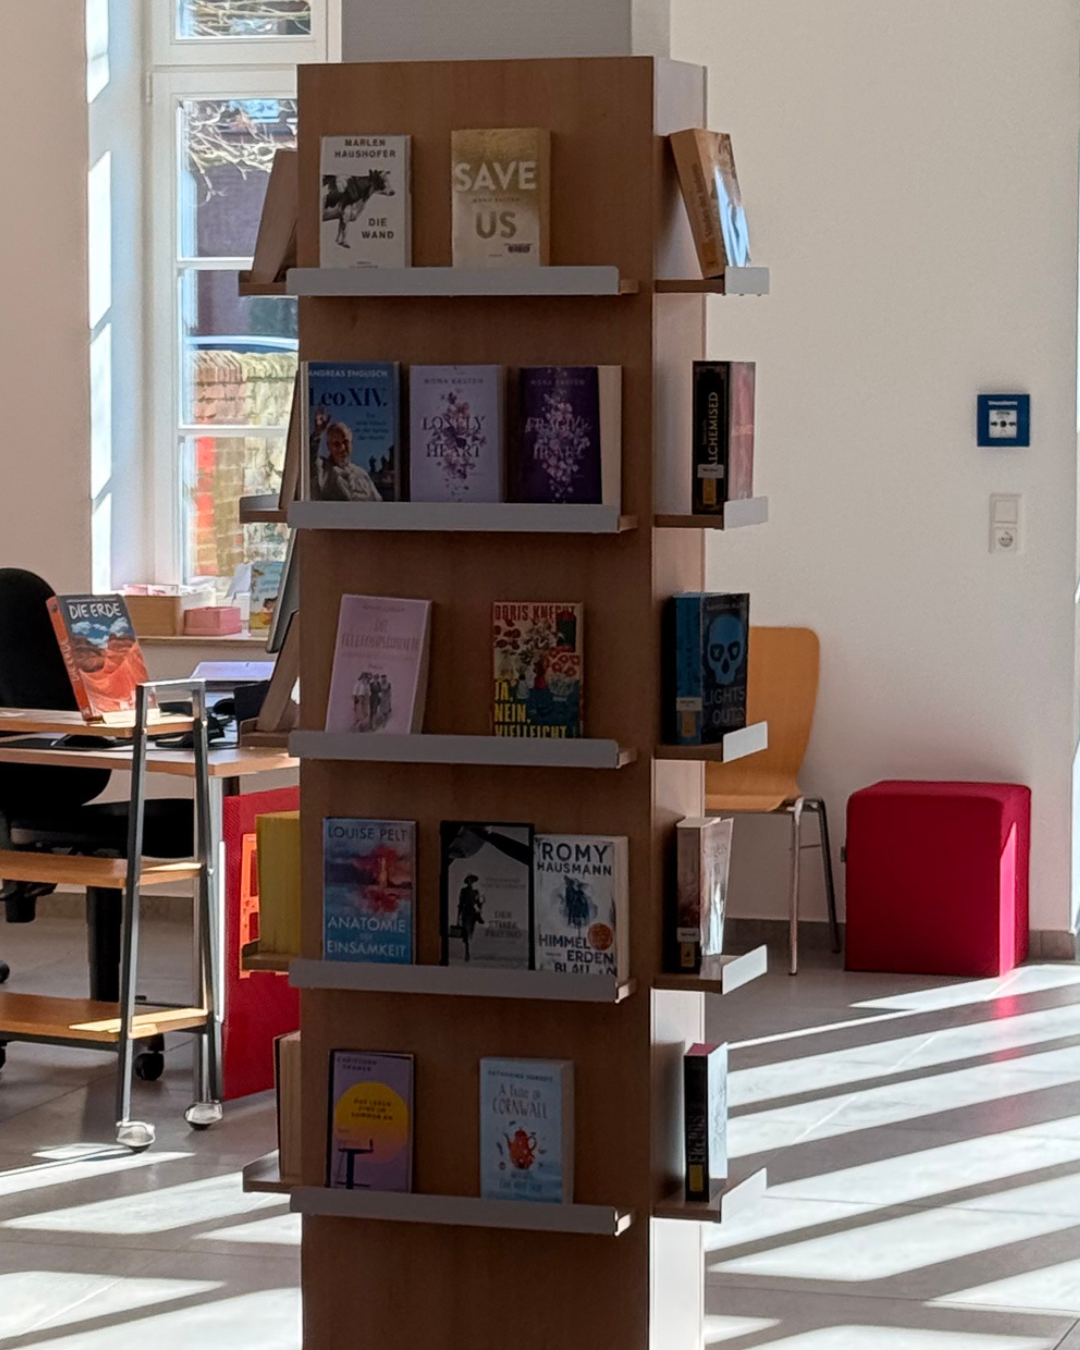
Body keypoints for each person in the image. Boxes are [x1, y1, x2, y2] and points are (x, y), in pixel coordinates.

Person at [312, 414, 382, 502]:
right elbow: (308, 460)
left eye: (345, 442)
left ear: (351, 443)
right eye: (336, 444)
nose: (342, 448)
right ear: (329, 446)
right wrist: (317, 434)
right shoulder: (321, 469)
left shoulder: (362, 474)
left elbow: (379, 504)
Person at [456, 874, 485, 962]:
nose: (470, 882)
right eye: (469, 880)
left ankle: (467, 951)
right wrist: (458, 917)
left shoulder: (476, 892)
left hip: (472, 912)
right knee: (466, 931)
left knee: (470, 932)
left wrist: (481, 903)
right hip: (466, 912)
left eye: (472, 880)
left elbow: (477, 903)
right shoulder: (463, 891)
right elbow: (461, 903)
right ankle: (467, 952)